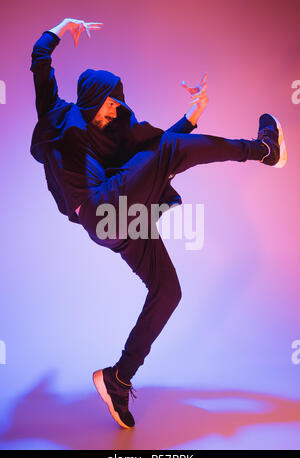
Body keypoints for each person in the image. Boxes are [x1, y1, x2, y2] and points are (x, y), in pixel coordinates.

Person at [30, 18, 288, 430]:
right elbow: (39, 59)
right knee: (166, 152)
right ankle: (262, 150)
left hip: (123, 220)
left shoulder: (109, 138)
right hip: (99, 210)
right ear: (92, 98)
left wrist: (192, 116)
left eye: (118, 102)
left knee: (168, 290)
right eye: (110, 102)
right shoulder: (57, 116)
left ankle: (118, 378)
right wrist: (62, 27)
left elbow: (150, 161)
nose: (116, 109)